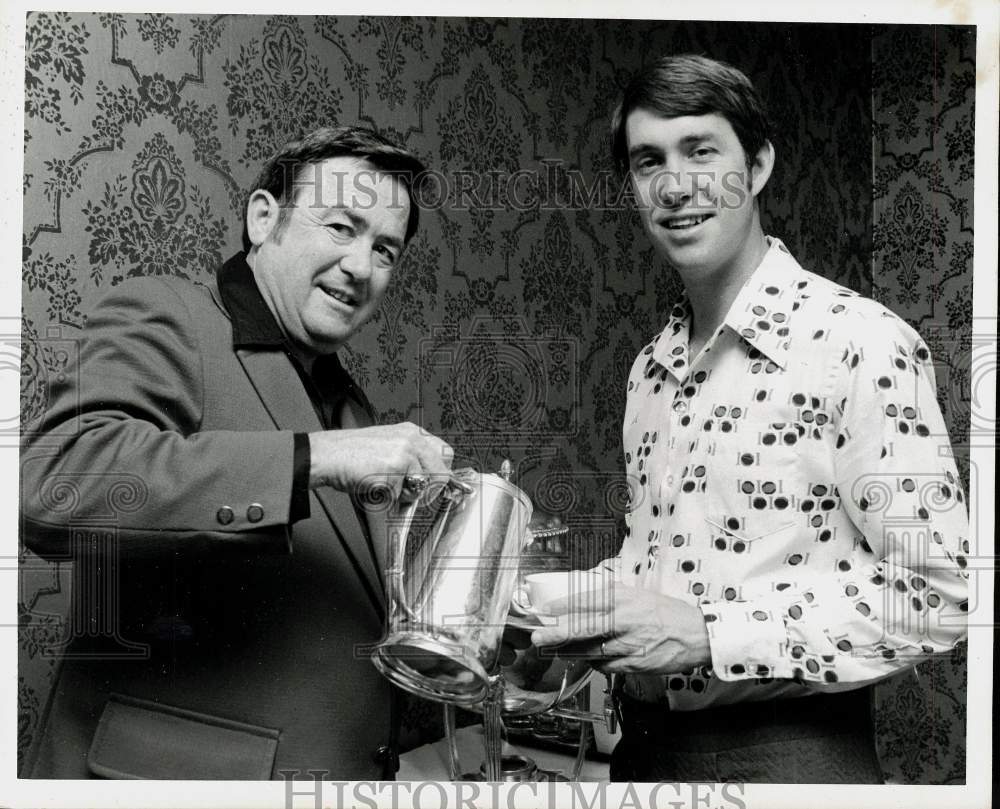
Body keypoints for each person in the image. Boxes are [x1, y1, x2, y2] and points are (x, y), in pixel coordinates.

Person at [532, 55, 970, 783]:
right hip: (640, 755)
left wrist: (712, 634)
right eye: (649, 162)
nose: (675, 186)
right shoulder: (650, 368)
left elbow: (941, 592)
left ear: (758, 165)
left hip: (788, 757)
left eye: (701, 151)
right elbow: (670, 562)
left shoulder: (856, 340)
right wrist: (562, 616)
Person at [20, 126, 454, 780]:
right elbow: (55, 485)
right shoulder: (169, 312)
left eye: (385, 248)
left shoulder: (346, 402)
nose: (362, 266)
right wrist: (318, 457)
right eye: (341, 226)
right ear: (263, 219)